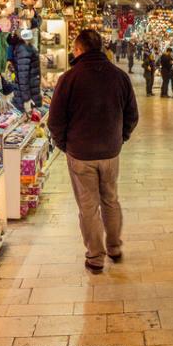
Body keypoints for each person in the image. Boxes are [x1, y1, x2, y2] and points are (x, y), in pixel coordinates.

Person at [48, 29, 139, 274]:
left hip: (80, 154)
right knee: (110, 199)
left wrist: (64, 145)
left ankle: (96, 257)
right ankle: (114, 247)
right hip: (110, 152)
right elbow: (132, 114)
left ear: (79, 50)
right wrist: (121, 138)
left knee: (88, 206)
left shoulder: (69, 78)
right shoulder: (119, 76)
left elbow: (55, 120)